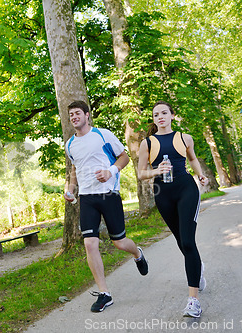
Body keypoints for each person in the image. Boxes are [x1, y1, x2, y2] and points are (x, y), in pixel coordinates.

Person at [64, 100, 148, 313]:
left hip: (109, 195)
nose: (74, 117)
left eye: (77, 113)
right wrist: (71, 188)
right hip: (87, 198)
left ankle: (137, 253)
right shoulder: (70, 144)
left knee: (119, 242)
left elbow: (124, 157)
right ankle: (104, 293)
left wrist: (110, 171)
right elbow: (75, 167)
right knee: (90, 244)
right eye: (71, 115)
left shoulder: (103, 135)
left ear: (87, 115)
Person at [137, 101, 208, 318]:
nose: (160, 117)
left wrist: (201, 174)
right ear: (154, 118)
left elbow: (192, 159)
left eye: (164, 113)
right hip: (163, 193)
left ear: (172, 115)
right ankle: (198, 268)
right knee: (181, 242)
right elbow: (141, 173)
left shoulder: (184, 138)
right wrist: (156, 171)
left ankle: (193, 301)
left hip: (186, 189)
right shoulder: (146, 143)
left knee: (188, 241)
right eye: (156, 114)